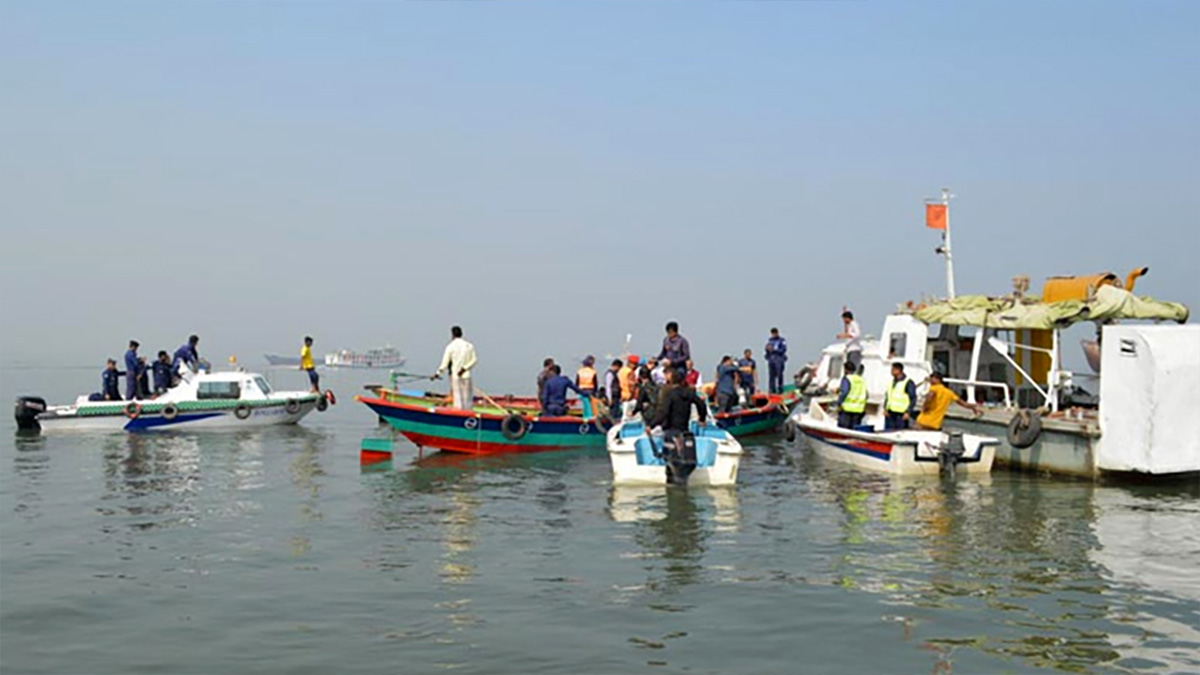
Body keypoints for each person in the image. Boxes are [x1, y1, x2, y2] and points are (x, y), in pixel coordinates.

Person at [916, 372, 982, 430]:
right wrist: (974, 406)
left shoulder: (934, 387)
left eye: (931, 379)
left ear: (937, 379)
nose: (930, 381)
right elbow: (963, 404)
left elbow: (929, 397)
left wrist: (925, 406)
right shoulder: (949, 393)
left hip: (924, 420)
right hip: (935, 424)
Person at [433, 326, 477, 410]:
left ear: (452, 335)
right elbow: (474, 360)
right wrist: (464, 369)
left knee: (458, 399)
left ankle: (459, 415)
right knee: (467, 398)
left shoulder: (450, 347)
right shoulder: (469, 346)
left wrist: (437, 374)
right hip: (466, 376)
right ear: (461, 334)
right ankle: (468, 413)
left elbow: (444, 364)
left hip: (456, 377)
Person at [653, 367, 708, 432]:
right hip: (684, 427)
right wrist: (702, 418)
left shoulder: (669, 393)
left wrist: (652, 425)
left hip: (670, 428)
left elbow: (664, 411)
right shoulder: (688, 393)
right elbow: (701, 404)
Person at [884, 362, 918, 431]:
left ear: (898, 370)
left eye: (893, 370)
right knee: (888, 432)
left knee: (900, 432)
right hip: (890, 413)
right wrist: (885, 409)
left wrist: (908, 412)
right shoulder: (891, 382)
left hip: (901, 414)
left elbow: (912, 398)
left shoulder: (908, 382)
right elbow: (888, 396)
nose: (891, 372)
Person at [836, 362, 868, 429]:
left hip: (847, 409)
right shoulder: (861, 380)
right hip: (859, 409)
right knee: (854, 430)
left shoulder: (847, 379)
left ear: (846, 369)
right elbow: (866, 395)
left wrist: (839, 403)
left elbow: (844, 392)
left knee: (844, 430)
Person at [765, 328, 788, 394]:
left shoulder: (782, 340)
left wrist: (774, 350)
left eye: (775, 333)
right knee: (771, 375)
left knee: (779, 374)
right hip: (771, 360)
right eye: (773, 333)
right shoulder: (770, 341)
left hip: (779, 360)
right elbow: (767, 350)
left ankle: (780, 389)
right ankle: (772, 389)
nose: (774, 334)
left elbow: (783, 349)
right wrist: (767, 351)